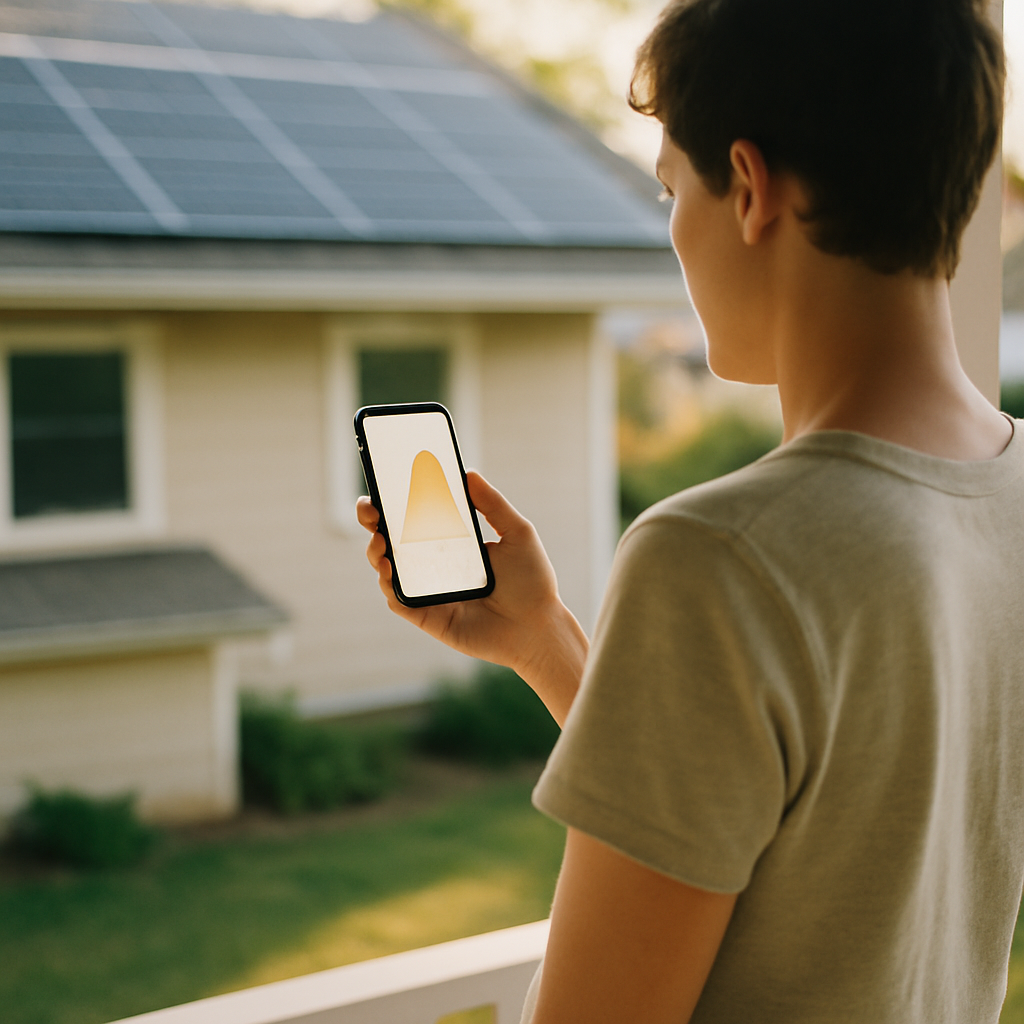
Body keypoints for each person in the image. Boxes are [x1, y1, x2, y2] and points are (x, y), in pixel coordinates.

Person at [358, 0, 1024, 1020]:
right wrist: (547, 643)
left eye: (672, 188)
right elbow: (793, 826)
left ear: (749, 188)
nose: (671, 230)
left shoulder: (718, 557)